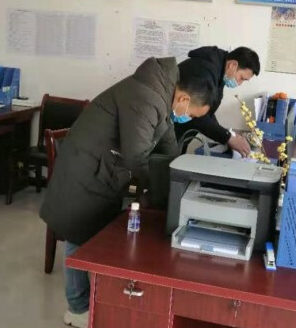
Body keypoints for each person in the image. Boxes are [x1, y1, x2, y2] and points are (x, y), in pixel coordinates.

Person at [39, 57, 213, 328]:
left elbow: (167, 143)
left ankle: (95, 299)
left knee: (94, 234)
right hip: (85, 168)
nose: (187, 118)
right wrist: (160, 188)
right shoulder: (147, 98)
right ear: (183, 99)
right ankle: (77, 308)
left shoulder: (160, 96)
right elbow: (136, 156)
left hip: (101, 168)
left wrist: (180, 175)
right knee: (77, 234)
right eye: (191, 114)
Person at [175, 46, 260, 156]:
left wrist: (228, 135)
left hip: (179, 133)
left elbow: (207, 111)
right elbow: (197, 115)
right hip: (168, 131)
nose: (239, 83)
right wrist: (227, 137)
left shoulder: (219, 71)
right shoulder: (204, 73)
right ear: (232, 65)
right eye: (241, 78)